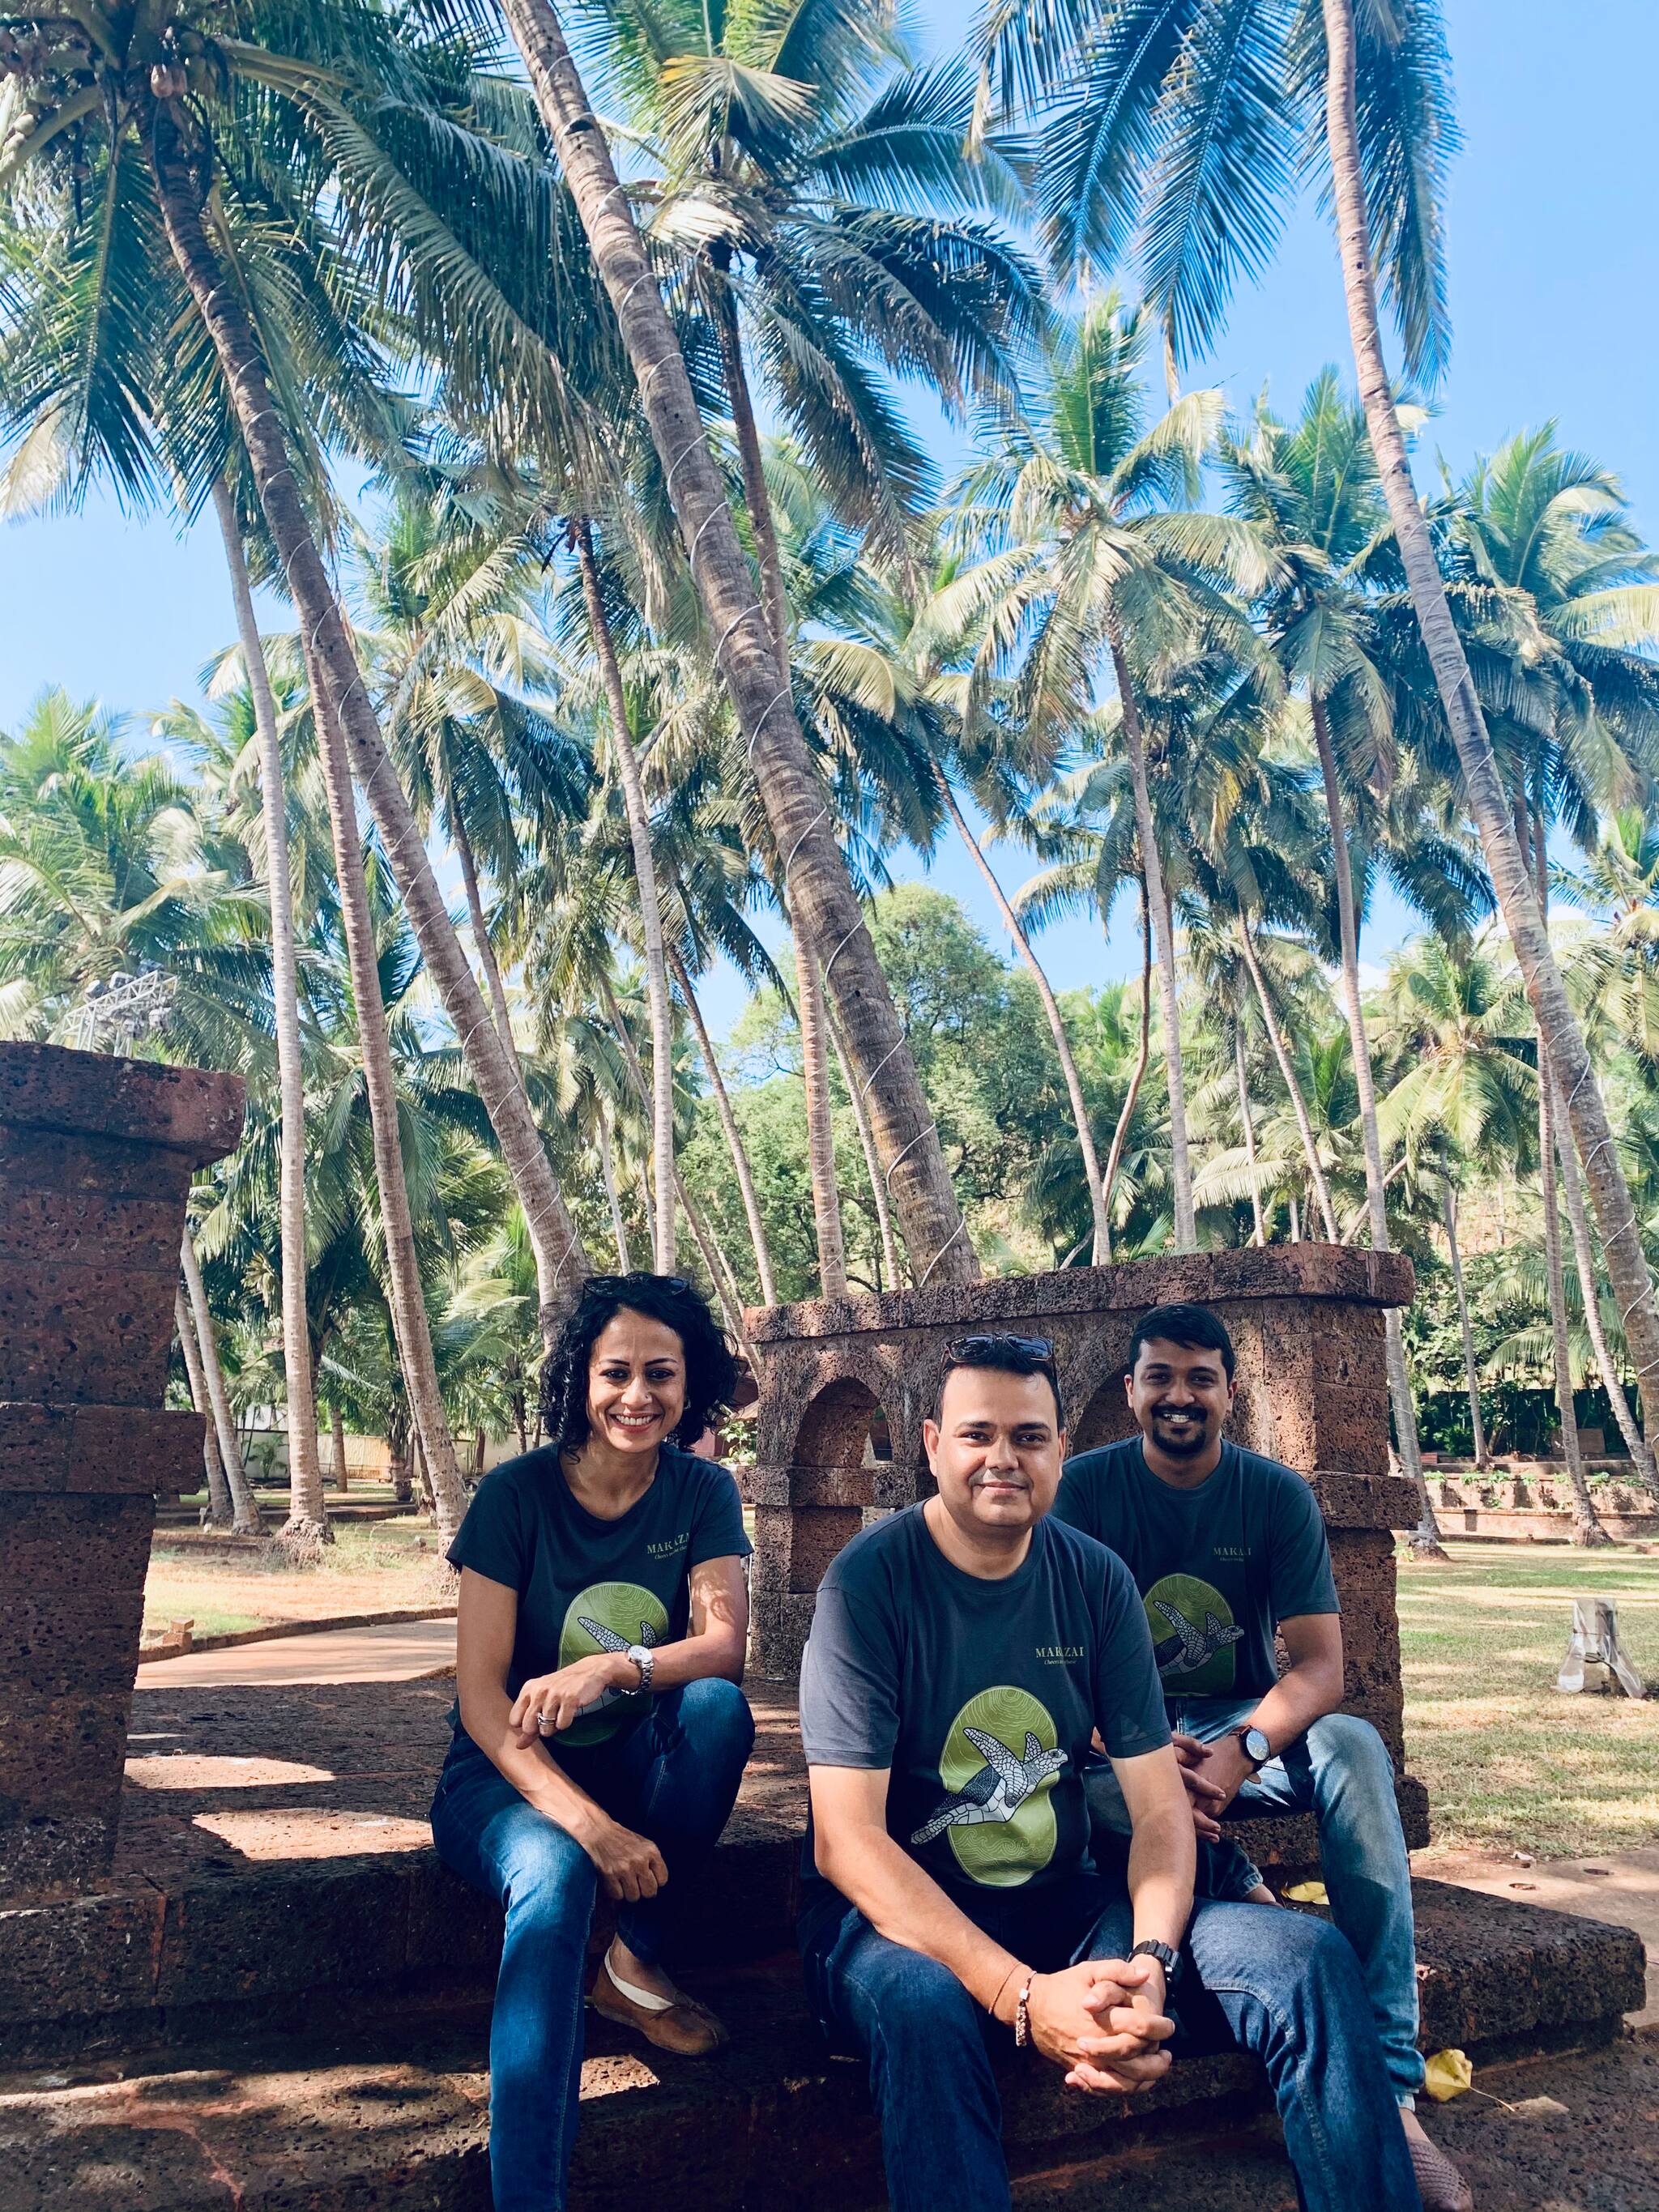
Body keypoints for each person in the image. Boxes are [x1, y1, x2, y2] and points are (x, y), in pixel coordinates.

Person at [799, 1330, 1422, 2212]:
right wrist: (1022, 1999)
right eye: (978, 1434)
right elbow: (847, 1842)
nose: (1002, 1459)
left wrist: (1149, 1959)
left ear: (1060, 1449)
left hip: (1064, 1902)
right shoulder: (867, 1584)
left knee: (1304, 1954)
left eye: (1029, 1436)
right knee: (924, 2007)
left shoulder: (1093, 1580)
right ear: (932, 1445)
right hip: (895, 1927)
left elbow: (1161, 1811)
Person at [1054, 1300, 1470, 2212]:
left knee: (1355, 1749)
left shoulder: (1271, 1494)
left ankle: (1389, 2082)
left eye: (1200, 1377)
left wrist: (1242, 1748)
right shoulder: (1081, 1492)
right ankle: (1233, 1874)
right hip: (1118, 1729)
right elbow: (1046, 1650)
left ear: (1228, 1394)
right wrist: (1126, 1741)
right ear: (1128, 1391)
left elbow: (1320, 1667)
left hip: (1239, 1723)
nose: (1178, 1395)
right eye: (1158, 1375)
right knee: (1111, 1805)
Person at [432, 1272, 756, 2212]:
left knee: (715, 1715)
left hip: (631, 1757)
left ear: (689, 1385)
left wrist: (613, 1670)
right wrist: (587, 1826)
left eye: (661, 1374)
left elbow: (723, 1648)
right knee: (560, 1875)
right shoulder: (515, 1496)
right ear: (580, 1377)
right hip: (501, 1778)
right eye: (615, 1371)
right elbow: (482, 1700)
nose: (637, 1395)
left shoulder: (701, 1490)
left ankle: (633, 1957)